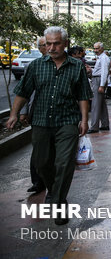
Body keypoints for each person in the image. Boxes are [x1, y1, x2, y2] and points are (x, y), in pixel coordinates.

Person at [5, 26, 92, 225]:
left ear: (66, 44)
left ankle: (60, 204)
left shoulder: (76, 66)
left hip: (67, 122)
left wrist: (84, 120)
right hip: (41, 122)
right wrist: (14, 114)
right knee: (41, 162)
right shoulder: (36, 66)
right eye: (48, 43)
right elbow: (23, 92)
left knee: (64, 163)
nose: (52, 47)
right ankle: (53, 190)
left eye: (56, 43)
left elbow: (83, 96)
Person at [19, 36, 47, 194]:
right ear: (39, 48)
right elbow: (25, 91)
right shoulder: (32, 66)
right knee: (37, 149)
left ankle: (54, 185)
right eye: (45, 45)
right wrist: (22, 112)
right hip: (37, 113)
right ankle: (37, 181)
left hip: (60, 116)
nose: (49, 48)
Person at [88, 42, 110, 133]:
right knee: (101, 104)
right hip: (97, 79)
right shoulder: (100, 58)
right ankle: (105, 124)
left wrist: (101, 85)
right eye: (95, 48)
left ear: (101, 48)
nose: (95, 50)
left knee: (96, 104)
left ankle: (94, 126)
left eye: (97, 48)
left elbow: (104, 72)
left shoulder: (104, 58)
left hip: (99, 80)